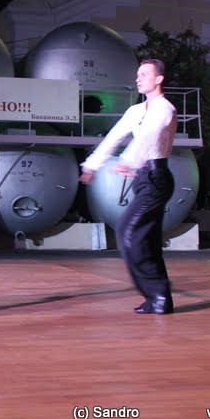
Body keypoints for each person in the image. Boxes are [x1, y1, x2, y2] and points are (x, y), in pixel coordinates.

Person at [79, 58, 178, 315]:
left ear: (159, 79)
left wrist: (129, 160)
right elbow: (114, 137)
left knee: (127, 232)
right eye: (137, 74)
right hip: (142, 180)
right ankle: (159, 298)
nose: (138, 78)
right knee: (147, 239)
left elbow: (149, 136)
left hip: (157, 178)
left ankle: (155, 294)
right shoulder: (135, 111)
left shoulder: (165, 109)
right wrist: (92, 165)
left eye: (144, 74)